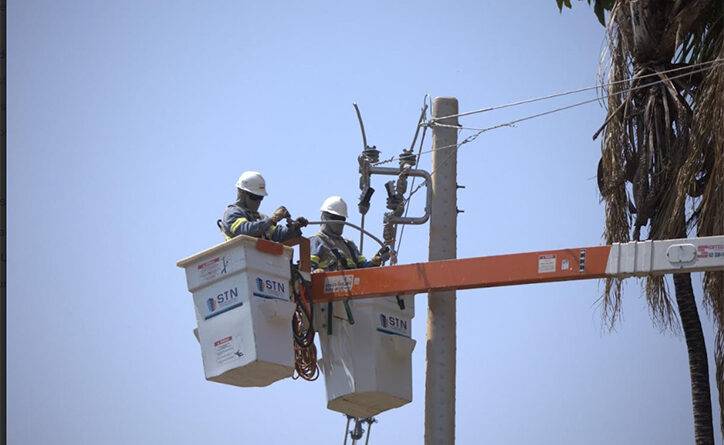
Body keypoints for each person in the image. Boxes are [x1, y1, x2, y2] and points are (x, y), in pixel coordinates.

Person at [219, 171, 307, 242]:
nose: (257, 201)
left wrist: (293, 228)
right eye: (255, 197)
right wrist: (272, 219)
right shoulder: (232, 213)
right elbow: (244, 231)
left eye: (260, 198)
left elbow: (278, 234)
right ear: (242, 194)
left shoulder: (260, 217)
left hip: (261, 260)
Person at [309, 196, 390, 272]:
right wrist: (315, 272)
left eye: (342, 219)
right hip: (326, 286)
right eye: (335, 218)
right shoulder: (316, 241)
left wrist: (374, 262)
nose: (340, 222)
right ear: (324, 217)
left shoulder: (349, 245)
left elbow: (362, 269)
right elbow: (308, 268)